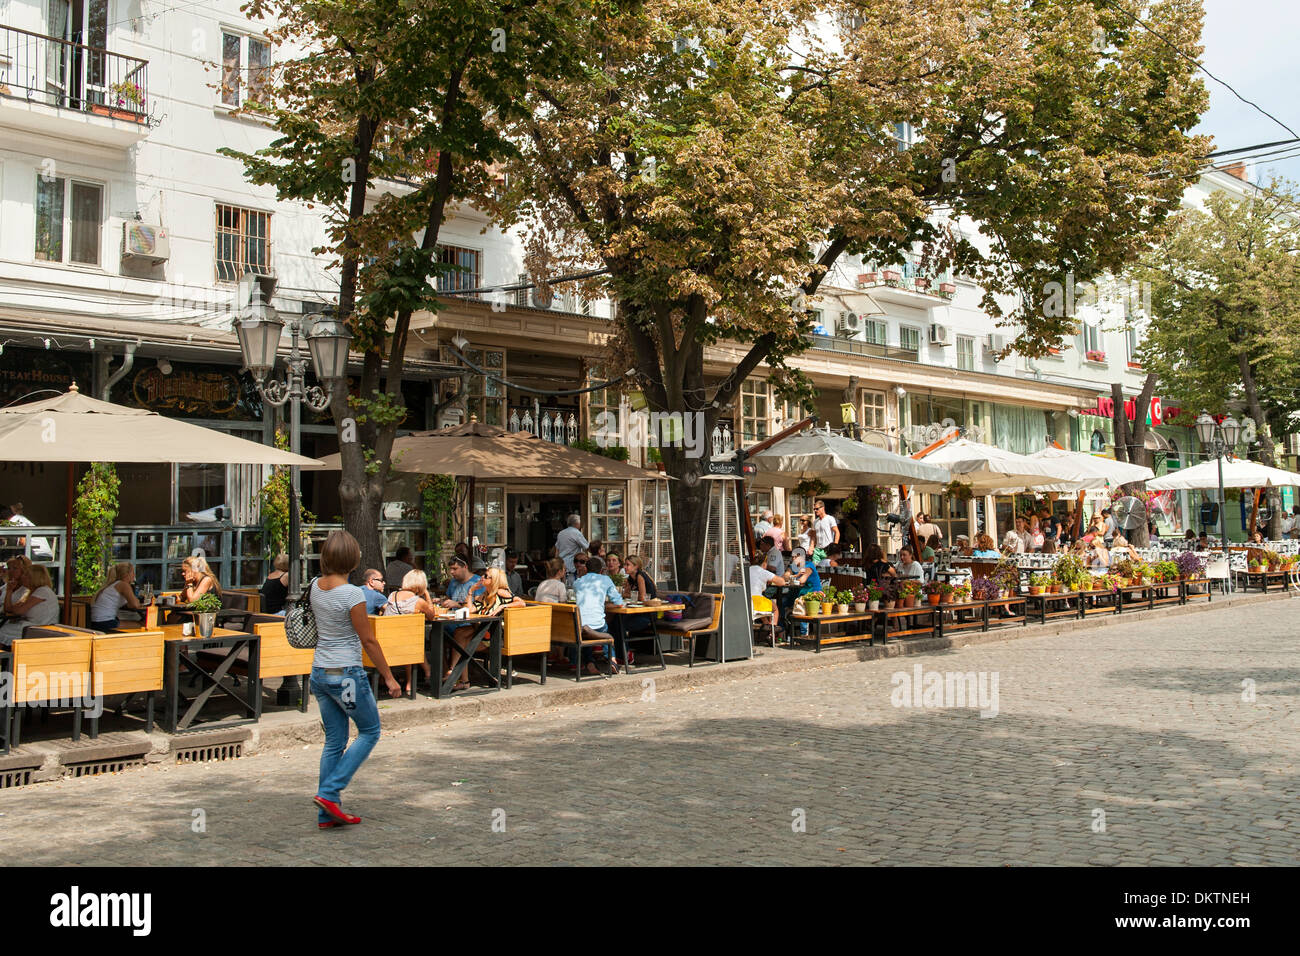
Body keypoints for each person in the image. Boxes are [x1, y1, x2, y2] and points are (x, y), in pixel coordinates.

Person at [309, 529, 400, 829]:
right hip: (345, 676)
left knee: (334, 740)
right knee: (370, 730)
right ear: (352, 559)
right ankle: (330, 792)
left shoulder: (315, 587)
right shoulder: (352, 594)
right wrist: (389, 677)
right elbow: (368, 640)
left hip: (320, 673)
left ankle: (327, 813)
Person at [572, 555, 623, 674]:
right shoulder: (605, 580)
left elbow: (577, 593)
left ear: (586, 569)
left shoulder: (578, 582)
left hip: (580, 625)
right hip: (597, 625)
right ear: (601, 570)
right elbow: (618, 601)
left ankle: (589, 662)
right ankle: (612, 658)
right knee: (603, 629)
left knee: (586, 629)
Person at [1, 558, 60, 644]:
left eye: (25, 575)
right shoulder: (30, 592)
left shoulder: (43, 591)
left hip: (41, 628)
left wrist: (15, 609)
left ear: (34, 577)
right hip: (30, 626)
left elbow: (18, 611)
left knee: (2, 630)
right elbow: (8, 609)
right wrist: (9, 591)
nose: (22, 577)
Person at [89, 562, 146, 632]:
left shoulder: (113, 584)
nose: (134, 575)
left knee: (138, 622)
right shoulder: (123, 585)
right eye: (133, 572)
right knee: (143, 624)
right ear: (127, 574)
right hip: (104, 623)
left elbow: (129, 604)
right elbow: (135, 605)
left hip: (96, 623)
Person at [748, 554, 786, 628]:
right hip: (756, 601)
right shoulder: (762, 571)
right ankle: (771, 632)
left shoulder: (748, 569)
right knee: (775, 609)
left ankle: (766, 626)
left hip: (746, 600)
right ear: (764, 564)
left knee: (763, 609)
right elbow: (782, 582)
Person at [555, 514, 589, 580]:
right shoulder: (576, 533)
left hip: (562, 566)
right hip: (572, 566)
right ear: (577, 523)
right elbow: (587, 547)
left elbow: (557, 550)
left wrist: (557, 564)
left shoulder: (561, 533)